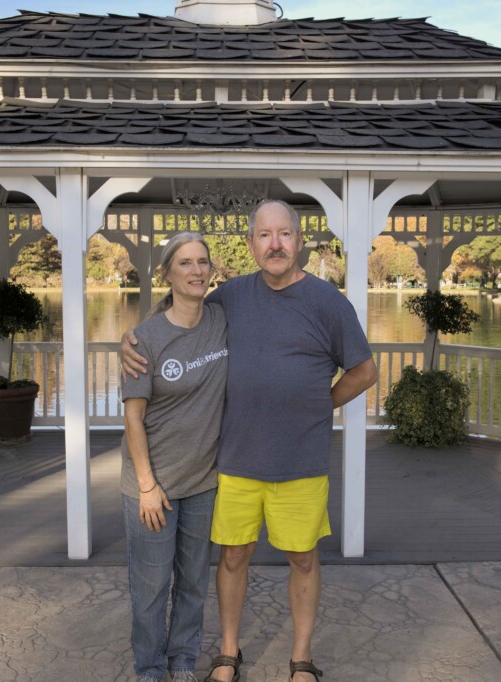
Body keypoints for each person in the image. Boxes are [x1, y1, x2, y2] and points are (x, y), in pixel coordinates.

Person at [123, 200, 378, 682]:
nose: (275, 244)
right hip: (236, 459)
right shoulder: (233, 295)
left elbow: (365, 370)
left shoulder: (328, 302)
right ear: (251, 245)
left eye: (284, 234)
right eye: (265, 235)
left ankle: (301, 657)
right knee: (233, 555)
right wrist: (131, 338)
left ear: (299, 242)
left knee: (303, 558)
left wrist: (322, 404)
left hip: (301, 462)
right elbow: (181, 306)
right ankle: (228, 652)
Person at [120, 231, 229, 682]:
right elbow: (133, 421)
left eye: (202, 262)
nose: (196, 271)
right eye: (185, 263)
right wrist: (147, 485)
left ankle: (183, 660)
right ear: (167, 272)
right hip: (154, 488)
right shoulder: (144, 339)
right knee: (150, 588)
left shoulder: (222, 319)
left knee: (192, 582)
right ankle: (149, 668)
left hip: (203, 482)